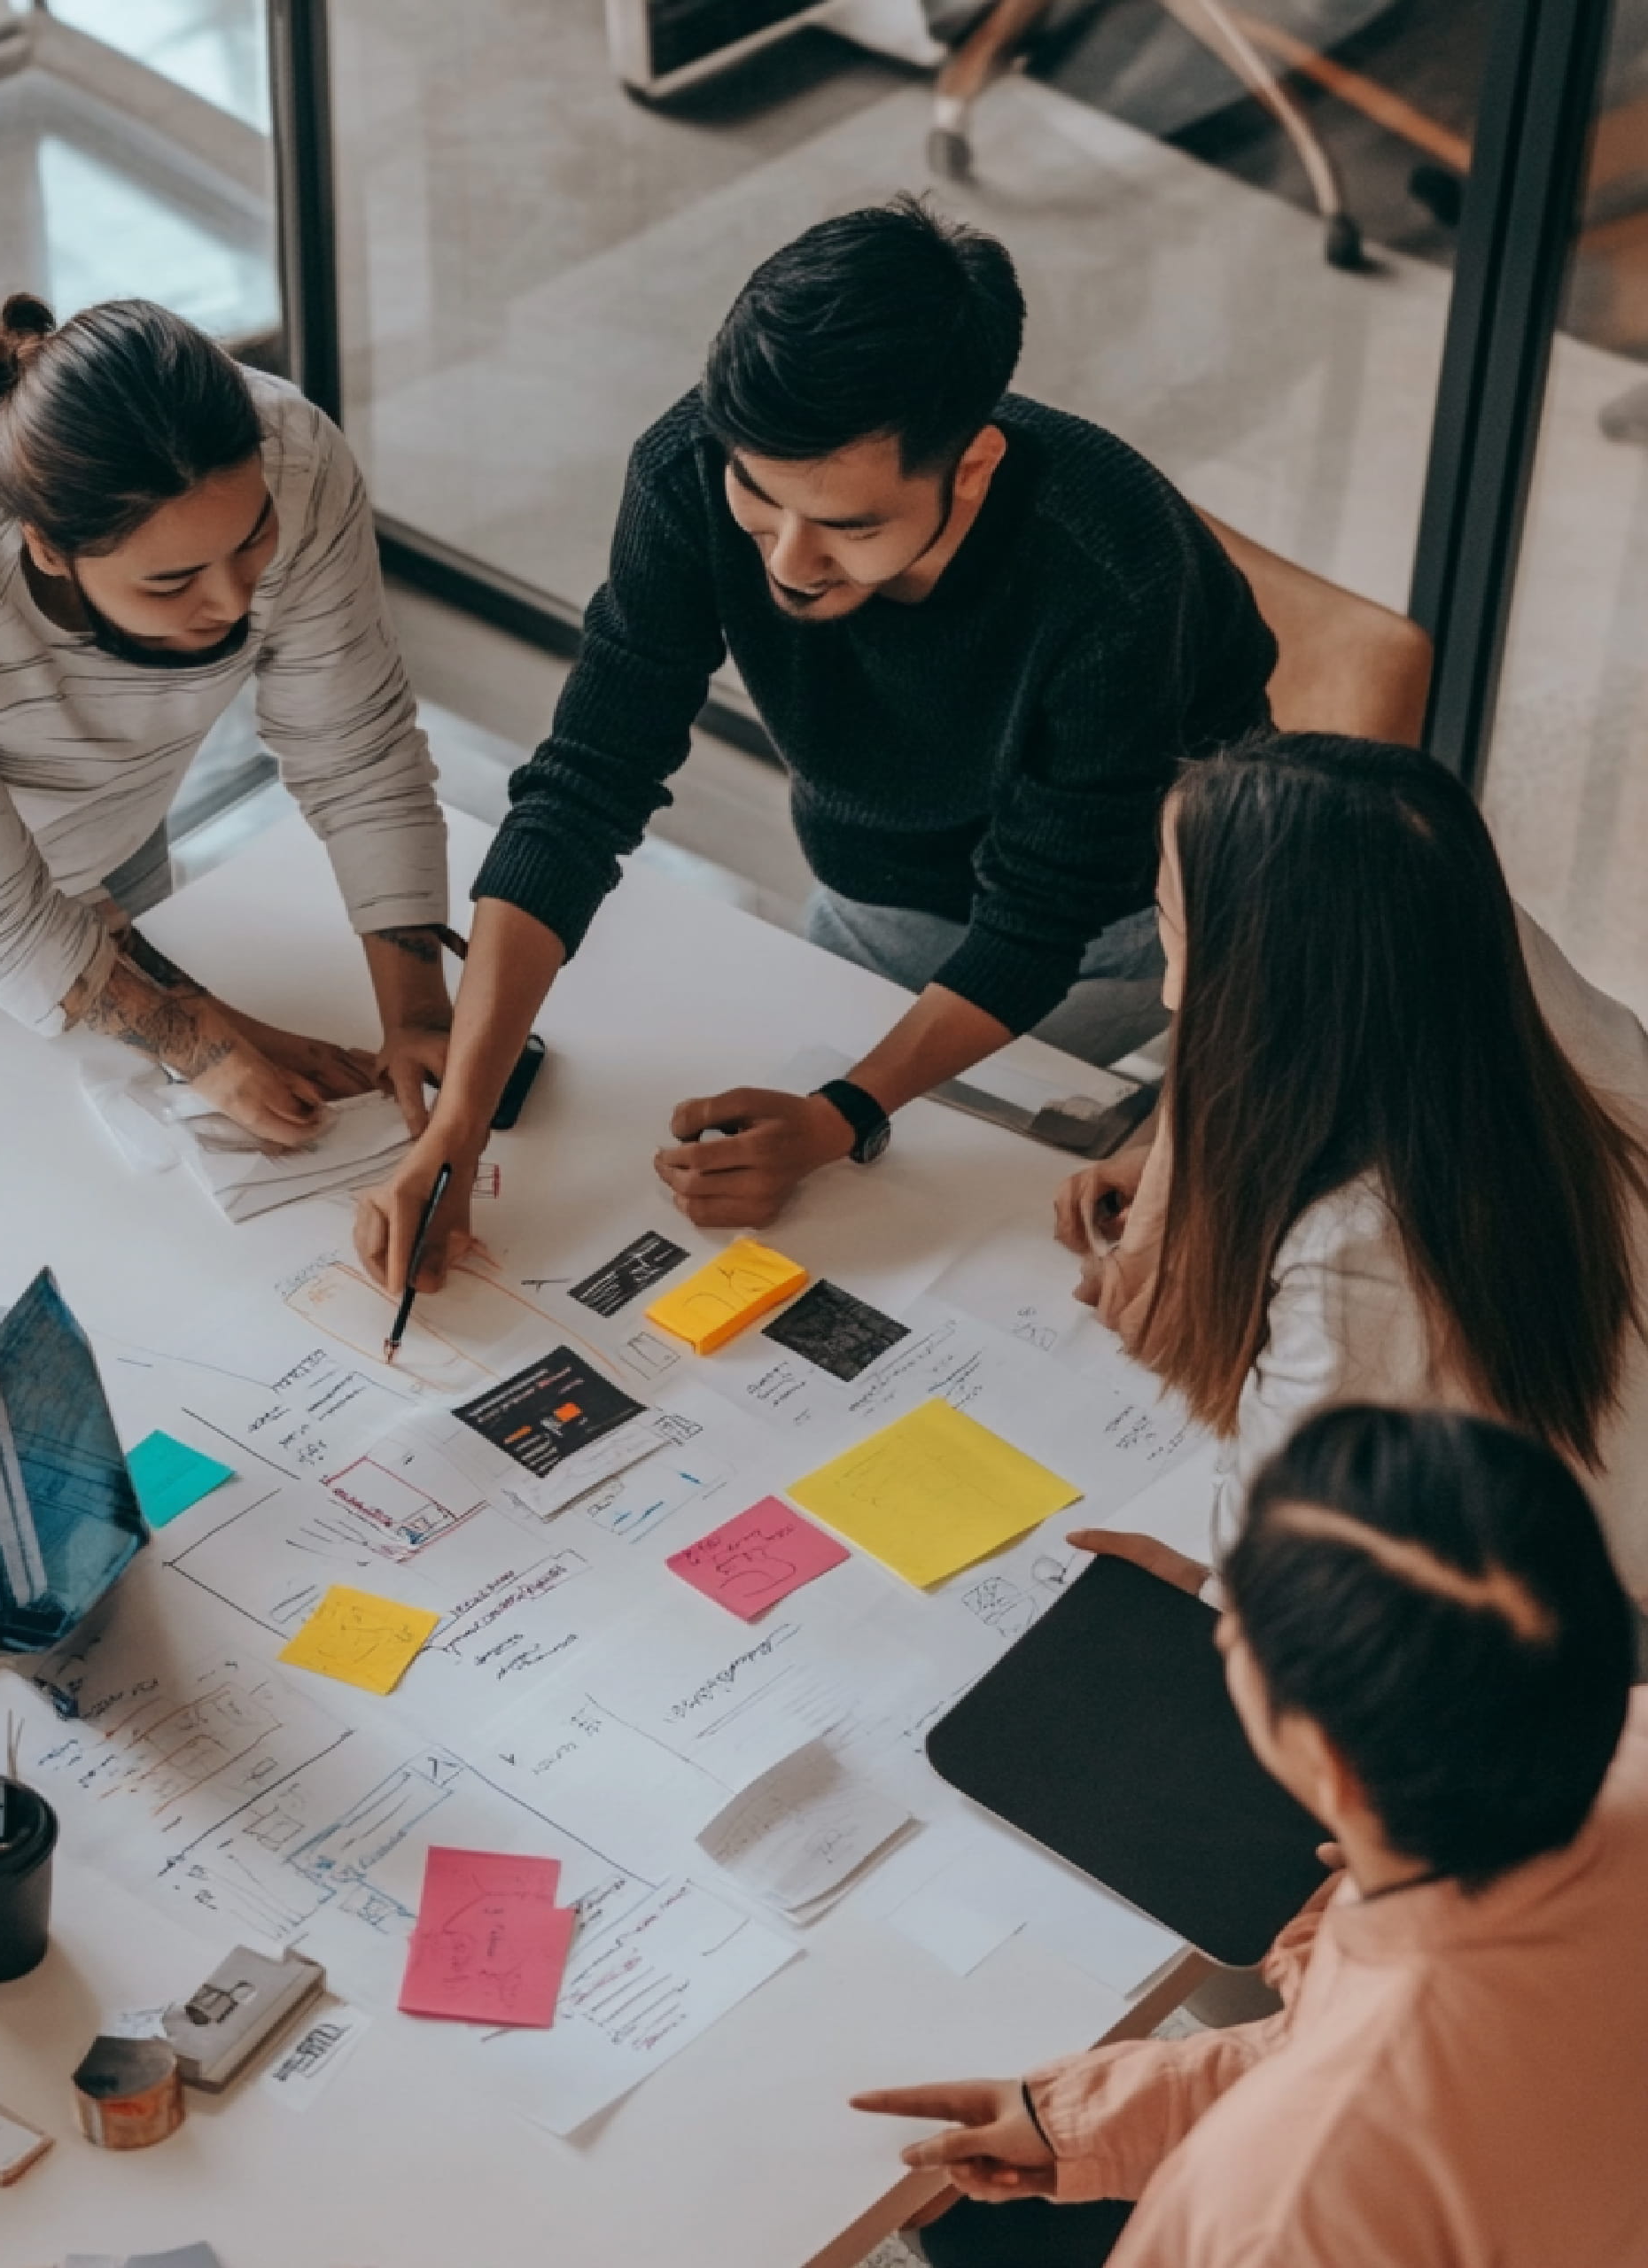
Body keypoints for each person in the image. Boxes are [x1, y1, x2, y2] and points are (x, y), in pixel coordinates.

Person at [354, 195, 1275, 1289]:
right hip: (875, 872)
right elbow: (584, 784)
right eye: (760, 496)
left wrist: (845, 1111)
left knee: (969, 1214)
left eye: (849, 525)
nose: (787, 561)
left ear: (971, 467)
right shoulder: (686, 469)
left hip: (1132, 921)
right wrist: (458, 1120)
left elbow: (1039, 920)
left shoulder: (1113, 574)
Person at [859, 1404, 1648, 2268]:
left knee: (971, 2230)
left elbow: (1352, 2086)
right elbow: (1366, 2060)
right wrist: (1073, 2119)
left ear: (1318, 1758)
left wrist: (1335, 1938)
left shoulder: (1269, 2212)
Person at [0, 291, 454, 1150]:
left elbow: (357, 747)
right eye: (169, 583)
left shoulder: (296, 456)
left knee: (141, 1146)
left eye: (253, 539)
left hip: (107, 834)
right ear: (47, 548)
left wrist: (420, 1015)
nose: (233, 600)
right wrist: (204, 1047)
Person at [1055, 733, 1648, 1604]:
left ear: (1247, 975)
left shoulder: (1351, 1256)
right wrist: (1184, 1164)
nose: (1167, 976)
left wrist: (1204, 1590)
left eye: (1170, 922)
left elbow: (1281, 1575)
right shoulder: (1503, 990)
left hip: (1513, 1655)